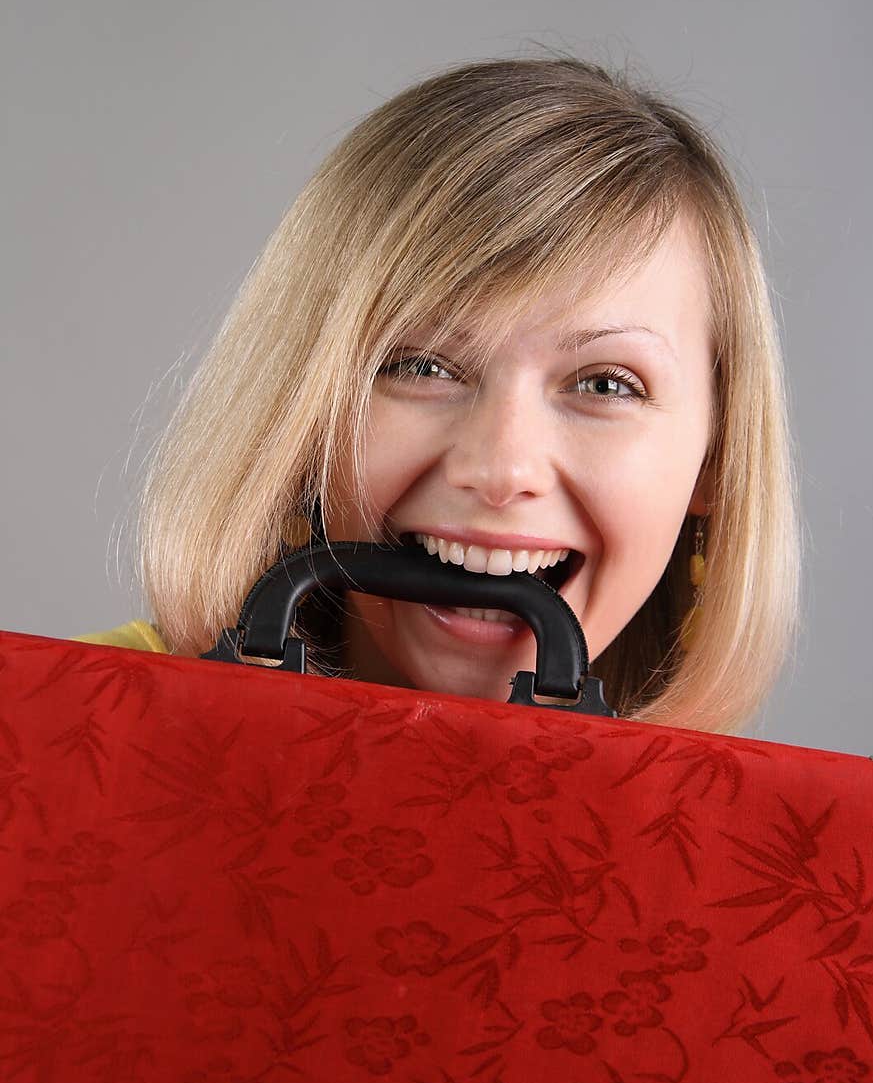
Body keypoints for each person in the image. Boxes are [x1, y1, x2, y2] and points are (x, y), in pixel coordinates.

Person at [75, 55, 801, 735]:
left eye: (606, 384)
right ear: (302, 413)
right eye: (421, 367)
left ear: (718, 459)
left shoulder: (754, 858)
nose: (500, 472)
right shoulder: (58, 734)